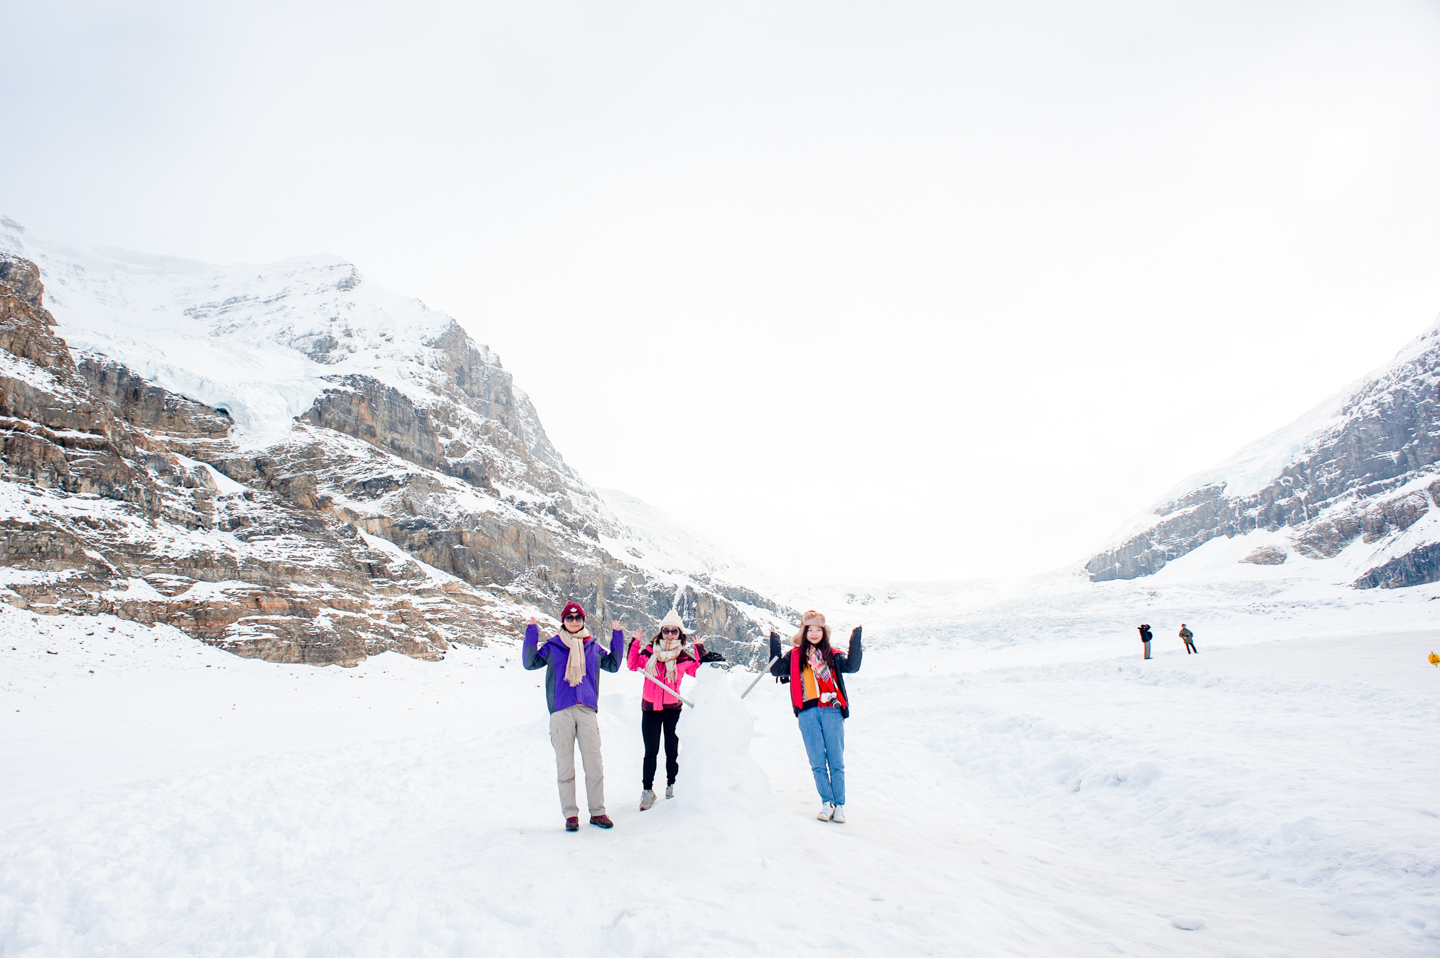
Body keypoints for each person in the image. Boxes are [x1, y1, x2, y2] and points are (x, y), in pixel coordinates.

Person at [523, 602, 623, 831]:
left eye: (578, 618)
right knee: (565, 765)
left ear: (584, 620)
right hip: (561, 711)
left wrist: (617, 636)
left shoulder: (593, 647)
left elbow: (613, 665)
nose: (575, 621)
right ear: (563, 621)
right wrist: (532, 633)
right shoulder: (553, 647)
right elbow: (530, 663)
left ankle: (598, 812)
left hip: (586, 709)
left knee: (594, 764)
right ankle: (570, 816)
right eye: (570, 618)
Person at [767, 610, 862, 824]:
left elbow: (852, 666)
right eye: (810, 629)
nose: (814, 633)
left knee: (836, 760)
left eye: (818, 629)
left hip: (831, 710)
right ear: (804, 631)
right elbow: (776, 669)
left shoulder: (832, 654)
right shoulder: (794, 655)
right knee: (817, 761)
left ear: (824, 632)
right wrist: (774, 640)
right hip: (807, 712)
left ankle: (840, 806)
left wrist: (856, 638)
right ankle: (827, 802)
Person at [627, 609, 704, 810]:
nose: (670, 634)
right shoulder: (649, 652)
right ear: (661, 632)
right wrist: (634, 643)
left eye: (674, 631)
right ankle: (647, 791)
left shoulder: (683, 658)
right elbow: (632, 665)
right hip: (650, 708)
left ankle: (672, 786)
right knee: (651, 750)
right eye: (666, 630)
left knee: (672, 750)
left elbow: (700, 671)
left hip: (672, 709)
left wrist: (699, 649)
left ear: (680, 634)